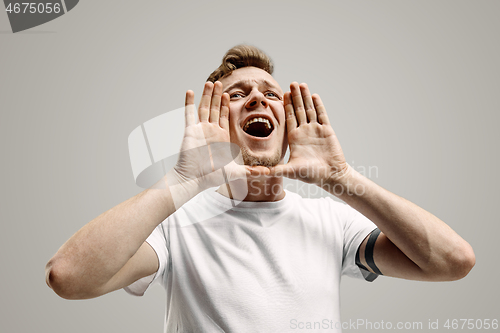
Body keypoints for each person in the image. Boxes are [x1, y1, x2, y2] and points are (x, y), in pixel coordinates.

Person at [45, 45, 475, 332]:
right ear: (214, 121)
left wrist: (342, 178)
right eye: (238, 94)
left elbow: (453, 261)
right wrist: (181, 182)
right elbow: (67, 278)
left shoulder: (333, 222)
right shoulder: (174, 225)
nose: (257, 99)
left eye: (271, 94)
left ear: (289, 123)